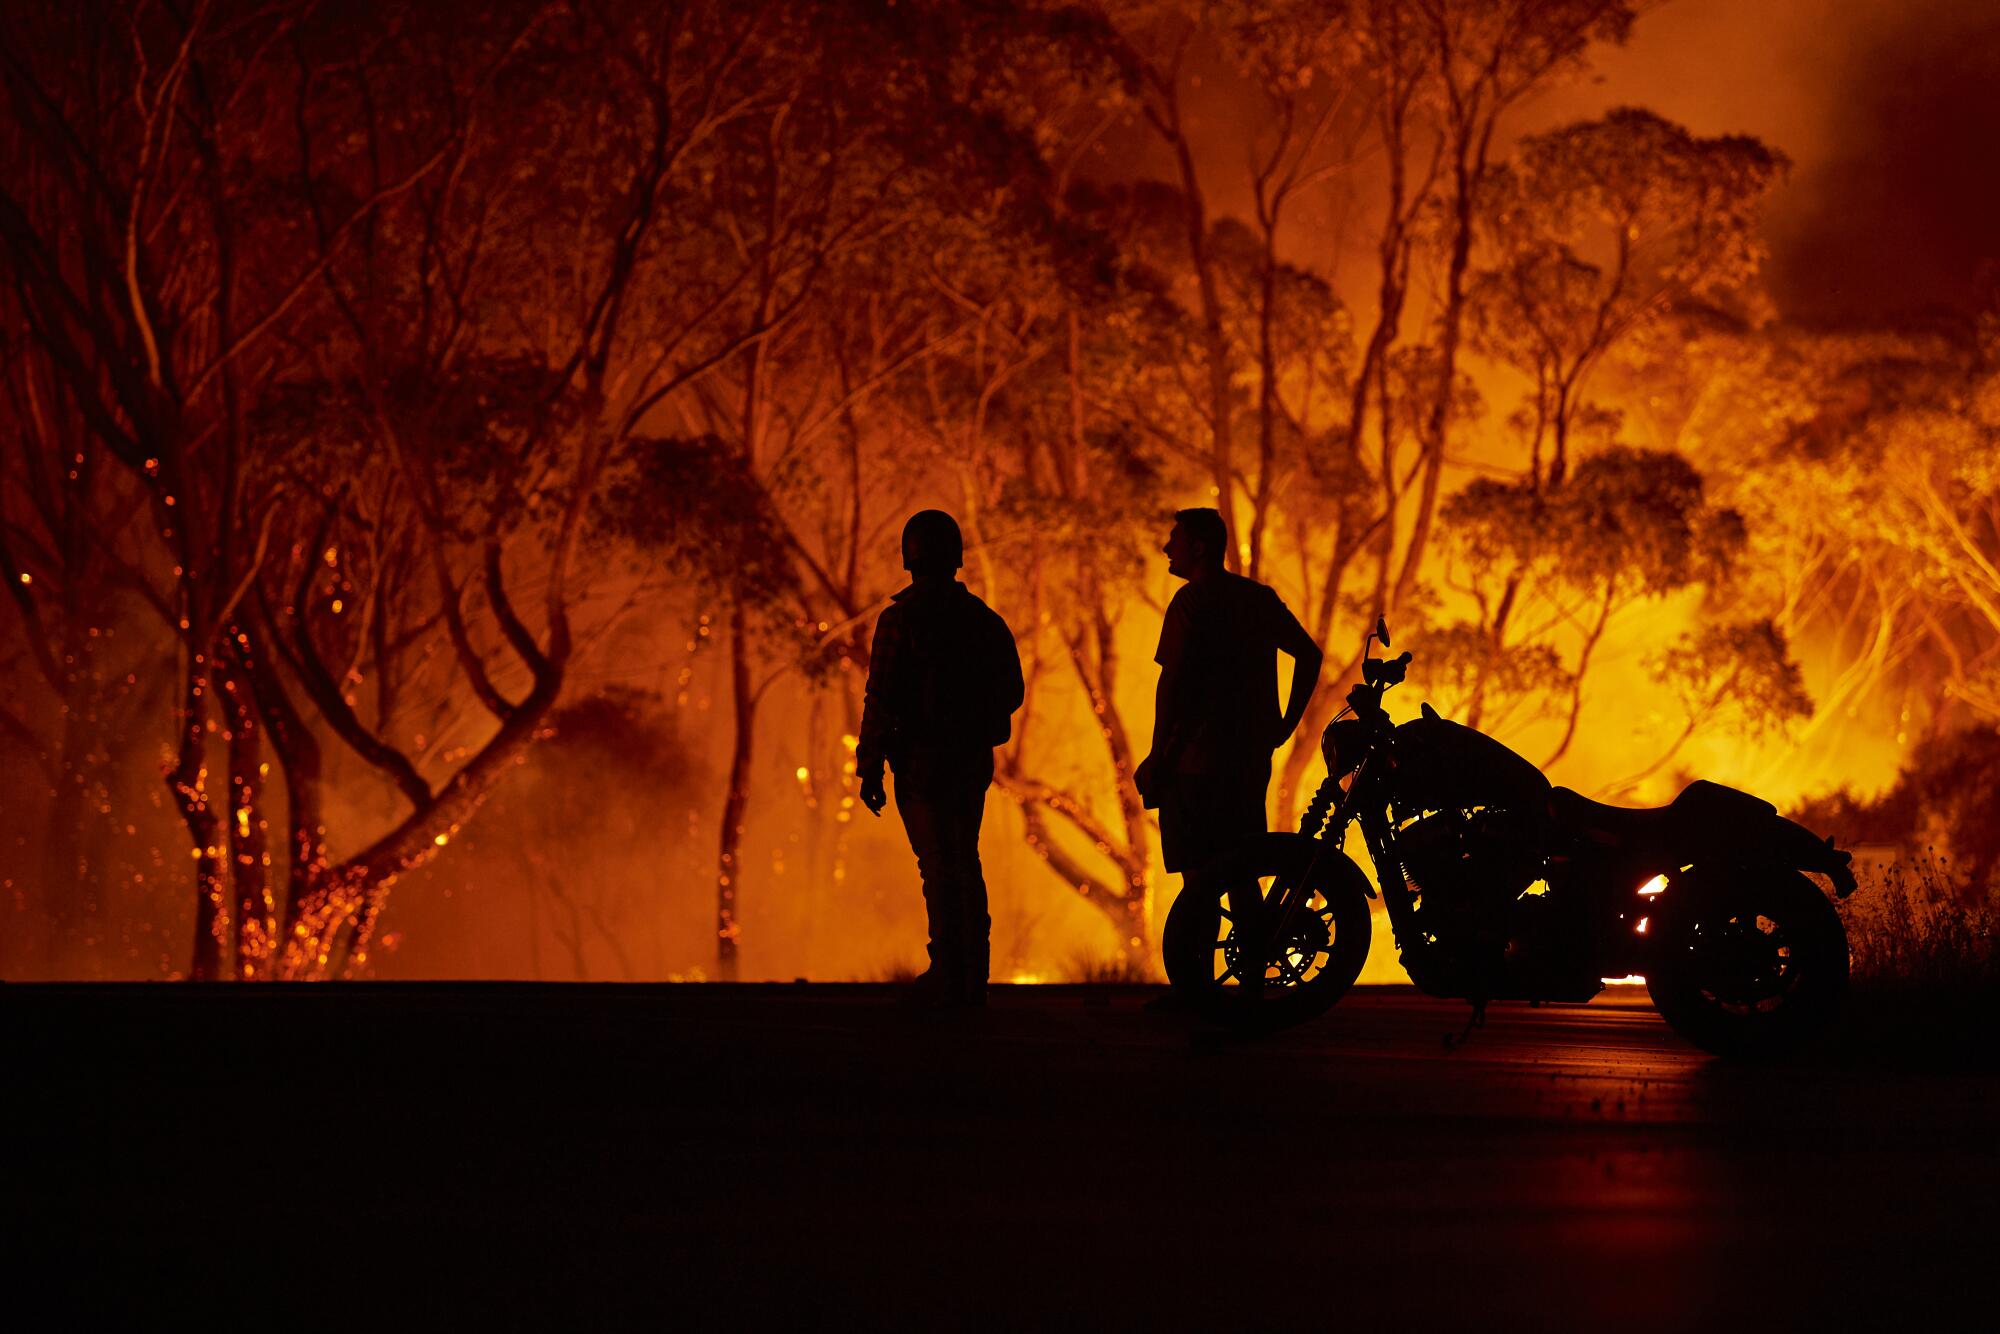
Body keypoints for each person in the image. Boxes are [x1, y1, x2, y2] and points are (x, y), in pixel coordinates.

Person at [1134, 508, 1322, 986]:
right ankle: (1251, 982)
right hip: (1247, 759)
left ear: (1199, 546)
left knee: (1198, 878)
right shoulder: (1257, 599)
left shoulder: (1191, 602)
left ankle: (1197, 987)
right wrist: (1284, 723)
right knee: (1240, 871)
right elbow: (1308, 653)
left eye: (1174, 538)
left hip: (1195, 763)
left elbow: (1172, 687)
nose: (1166, 547)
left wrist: (1160, 756)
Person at [857, 510, 1024, 1007]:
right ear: (956, 557)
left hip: (920, 764)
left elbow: (880, 697)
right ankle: (973, 973)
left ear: (910, 557)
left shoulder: (900, 619)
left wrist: (870, 765)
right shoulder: (983, 621)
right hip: (969, 761)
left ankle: (949, 971)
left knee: (937, 866)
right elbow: (1011, 692)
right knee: (964, 861)